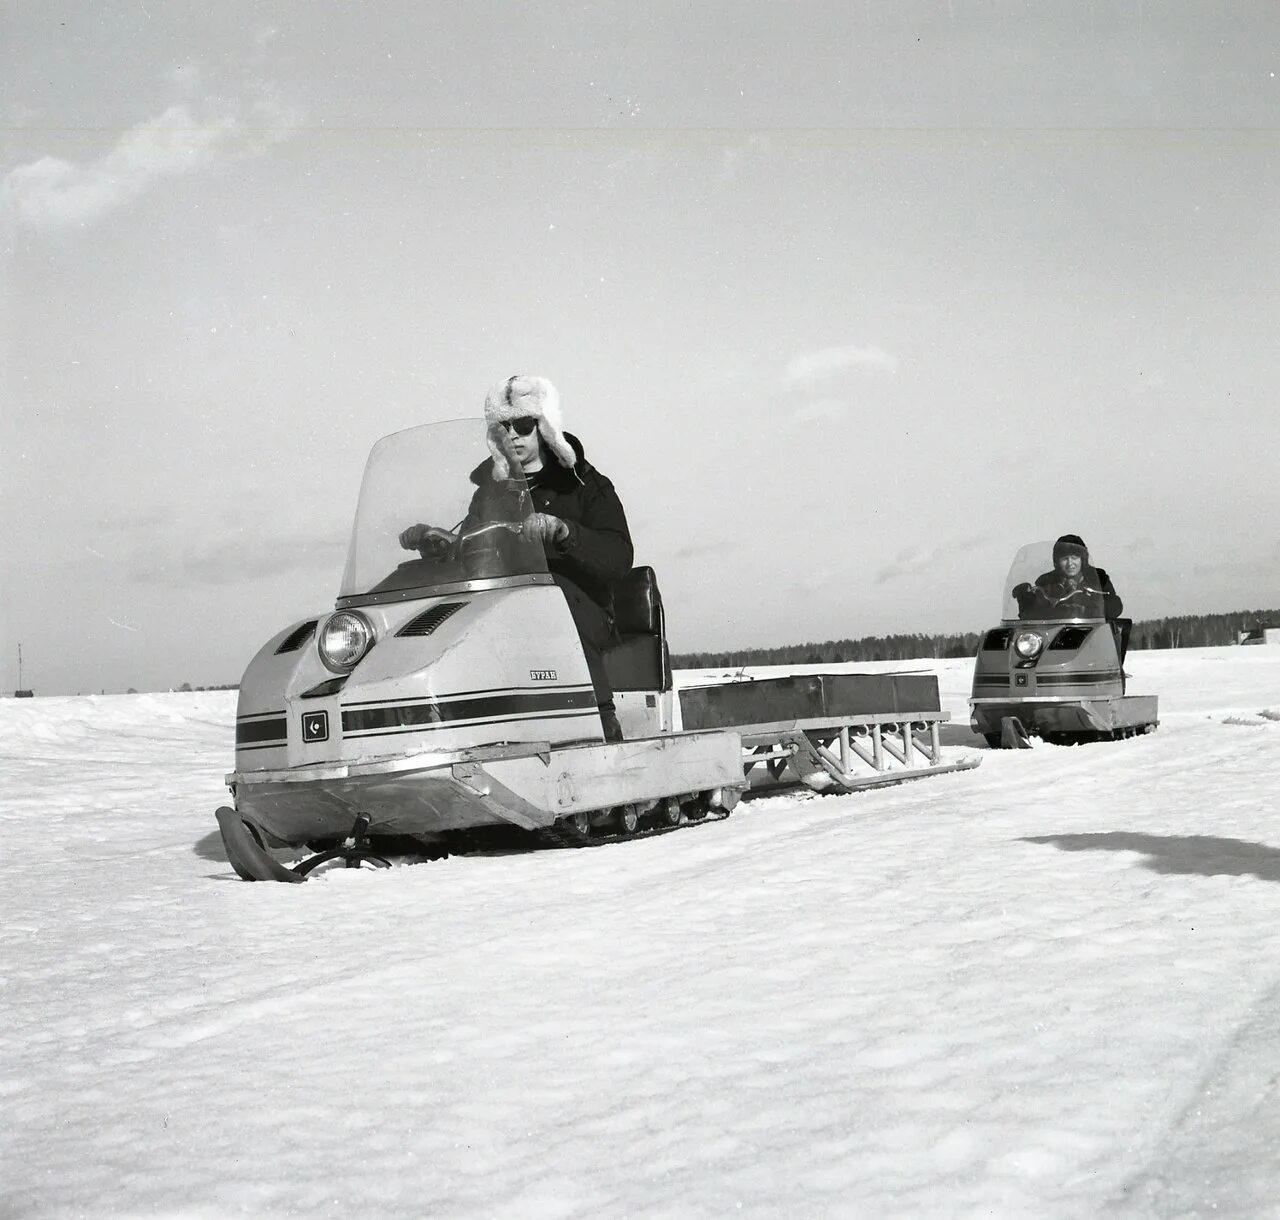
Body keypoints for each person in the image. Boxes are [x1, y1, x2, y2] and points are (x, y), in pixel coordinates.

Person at [399, 375, 633, 742]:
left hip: (578, 605)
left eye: (523, 425)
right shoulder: (491, 491)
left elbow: (619, 557)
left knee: (558, 602)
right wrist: (444, 544)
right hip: (506, 604)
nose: (514, 435)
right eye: (504, 427)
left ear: (545, 427)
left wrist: (565, 532)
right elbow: (474, 547)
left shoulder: (584, 484)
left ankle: (601, 721)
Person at [1015, 534, 1123, 620]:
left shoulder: (1098, 578)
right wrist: (1025, 598)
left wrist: (1087, 610)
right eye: (1064, 559)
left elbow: (1114, 606)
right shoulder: (1046, 582)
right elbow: (1032, 613)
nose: (1070, 563)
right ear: (1057, 561)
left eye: (1074, 558)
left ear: (1082, 559)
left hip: (1091, 634)